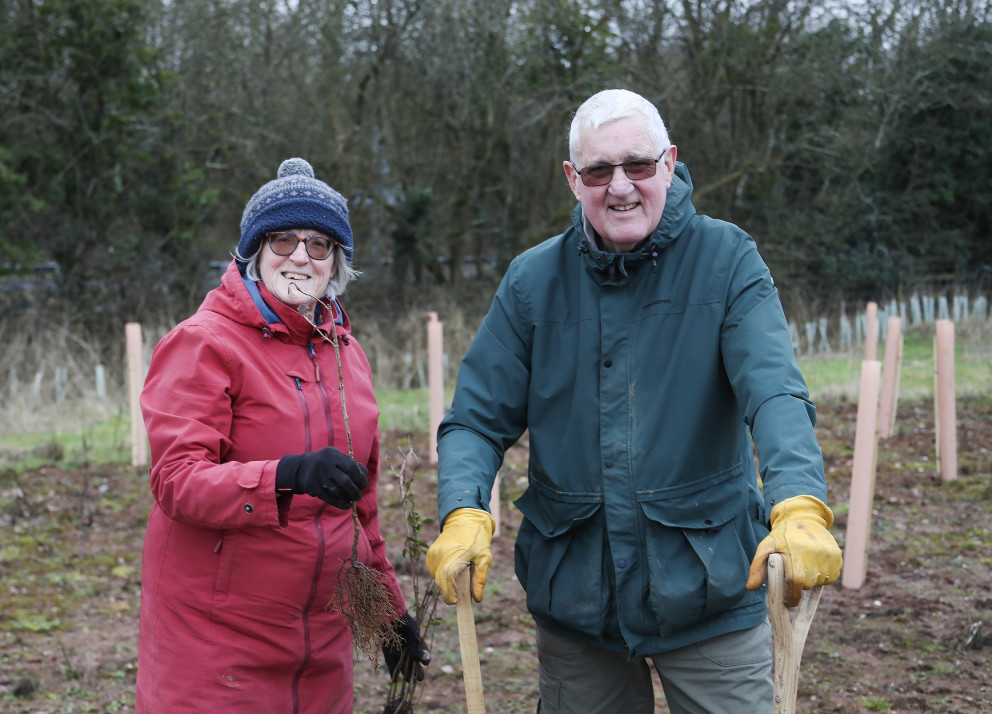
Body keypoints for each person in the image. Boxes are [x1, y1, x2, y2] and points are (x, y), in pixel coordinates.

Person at [425, 89, 843, 714]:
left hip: (709, 592)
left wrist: (799, 502)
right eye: (598, 171)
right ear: (574, 180)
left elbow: (774, 391)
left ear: (669, 164)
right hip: (577, 604)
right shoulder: (532, 282)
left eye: (638, 166)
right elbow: (475, 421)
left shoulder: (728, 262)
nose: (620, 187)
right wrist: (463, 510)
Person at [137, 158, 430, 713]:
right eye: (283, 239)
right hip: (217, 639)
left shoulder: (348, 355)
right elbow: (177, 481)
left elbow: (359, 507)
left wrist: (388, 611)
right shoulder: (203, 344)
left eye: (319, 244)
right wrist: (287, 475)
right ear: (254, 251)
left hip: (320, 641)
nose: (300, 255)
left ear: (336, 262)